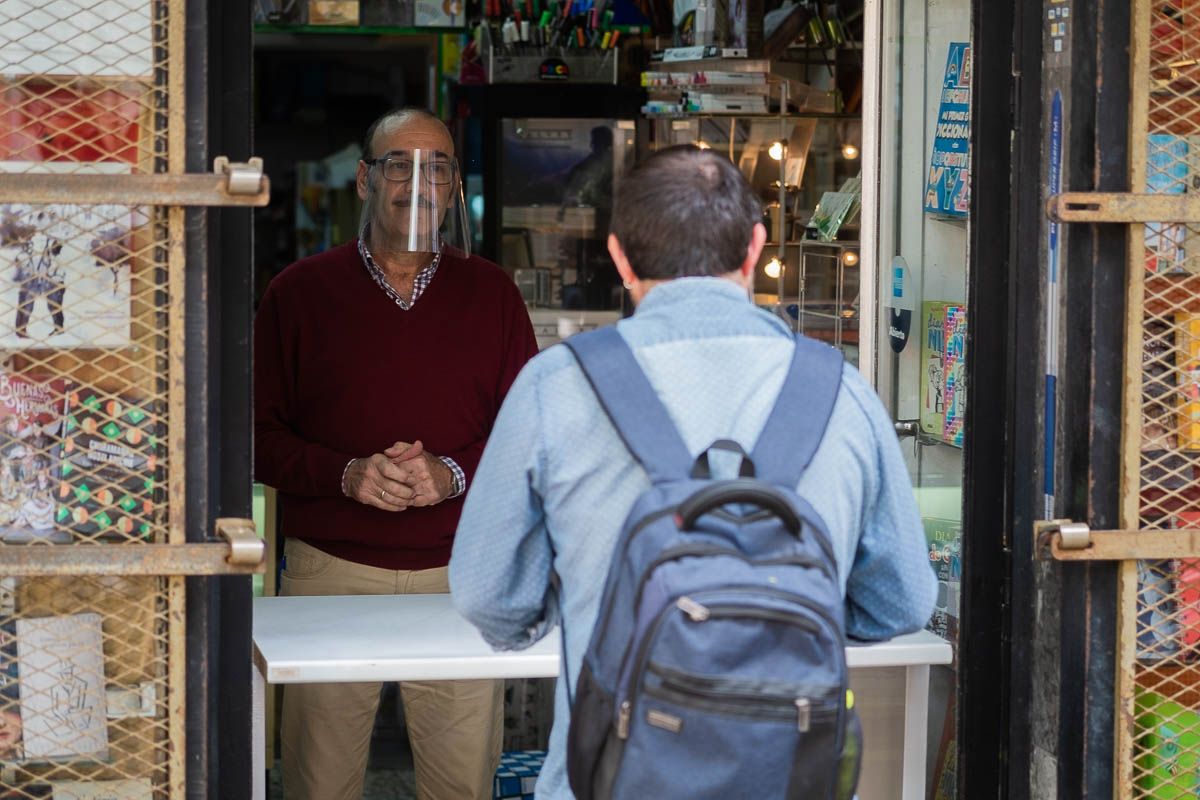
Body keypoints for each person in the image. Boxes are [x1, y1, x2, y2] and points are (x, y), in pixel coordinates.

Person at [449, 145, 937, 799]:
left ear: (619, 256)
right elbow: (903, 601)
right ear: (757, 246)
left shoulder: (556, 386)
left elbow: (489, 597)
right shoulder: (842, 394)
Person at [254, 107, 539, 800]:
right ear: (363, 180)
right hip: (328, 576)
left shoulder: (492, 294)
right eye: (399, 165)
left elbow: (530, 431)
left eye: (437, 166)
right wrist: (346, 474)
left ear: (452, 187)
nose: (420, 181)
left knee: (462, 782)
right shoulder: (298, 293)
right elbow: (254, 437)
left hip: (461, 575)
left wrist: (452, 473)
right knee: (318, 782)